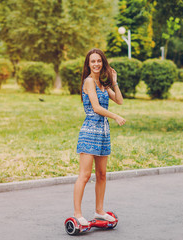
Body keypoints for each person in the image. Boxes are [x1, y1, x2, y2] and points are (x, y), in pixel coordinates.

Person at [74, 48, 126, 226]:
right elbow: (96, 108)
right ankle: (78, 214)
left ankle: (99, 211)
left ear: (103, 63)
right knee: (85, 175)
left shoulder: (103, 85)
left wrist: (115, 82)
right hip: (90, 132)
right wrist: (116, 116)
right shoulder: (89, 82)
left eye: (99, 61)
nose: (96, 64)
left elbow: (119, 100)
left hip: (103, 134)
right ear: (88, 64)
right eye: (92, 61)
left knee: (102, 174)